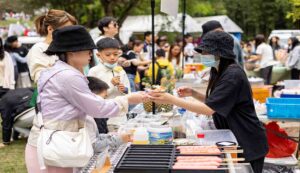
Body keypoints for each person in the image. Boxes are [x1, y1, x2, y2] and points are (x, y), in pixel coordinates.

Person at [25, 25, 146, 173]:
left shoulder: (54, 71)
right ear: (72, 53)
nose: (91, 54)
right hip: (56, 145)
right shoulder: (68, 76)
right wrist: (128, 99)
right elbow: (98, 108)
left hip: (47, 141)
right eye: (88, 50)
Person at [148, 31, 268, 173]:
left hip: (247, 139)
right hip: (233, 136)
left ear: (220, 53)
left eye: (206, 51)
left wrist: (171, 99)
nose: (203, 54)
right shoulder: (218, 70)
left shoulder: (232, 75)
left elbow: (209, 109)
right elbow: (217, 102)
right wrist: (193, 93)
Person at [27, 9, 77, 112]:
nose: (70, 34)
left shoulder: (68, 49)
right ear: (50, 29)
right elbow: (41, 78)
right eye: (66, 30)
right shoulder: (39, 49)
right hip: (50, 103)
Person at [88, 38, 131, 132]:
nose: (112, 57)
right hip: (104, 117)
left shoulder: (120, 70)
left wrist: (124, 89)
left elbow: (128, 91)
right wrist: (111, 85)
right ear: (98, 55)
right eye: (108, 55)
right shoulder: (94, 71)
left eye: (115, 54)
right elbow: (93, 96)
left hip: (120, 116)